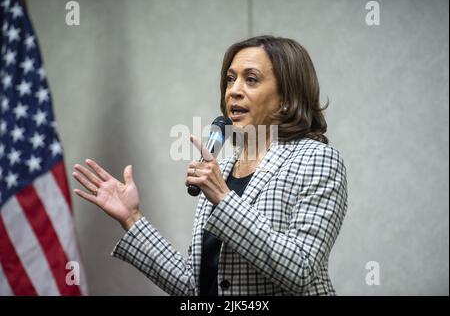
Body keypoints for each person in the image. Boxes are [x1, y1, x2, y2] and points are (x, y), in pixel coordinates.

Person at [72, 35, 348, 296]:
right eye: (230, 79)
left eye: (250, 80)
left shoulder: (316, 159)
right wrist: (131, 218)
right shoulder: (222, 169)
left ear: (286, 100)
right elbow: (197, 288)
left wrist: (223, 199)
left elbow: (300, 269)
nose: (234, 91)